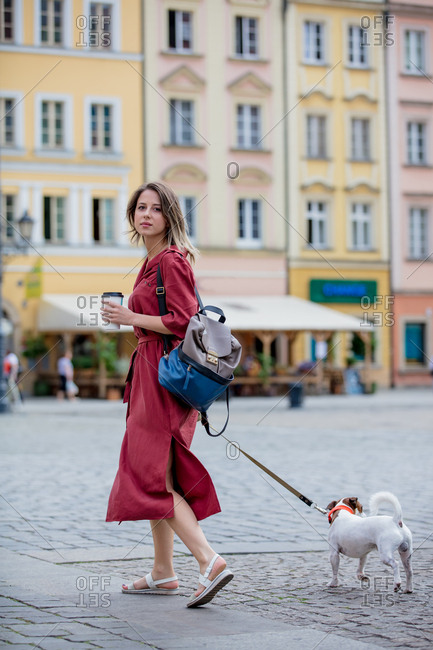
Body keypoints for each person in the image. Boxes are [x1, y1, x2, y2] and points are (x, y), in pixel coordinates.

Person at [103, 181, 233, 608]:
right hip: (148, 372)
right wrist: (133, 318)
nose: (146, 215)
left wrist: (129, 315)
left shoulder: (171, 261)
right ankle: (163, 571)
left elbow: (181, 321)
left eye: (156, 209)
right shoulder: (151, 261)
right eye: (140, 208)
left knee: (152, 474)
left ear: (170, 217)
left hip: (163, 375)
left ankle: (208, 560)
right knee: (161, 473)